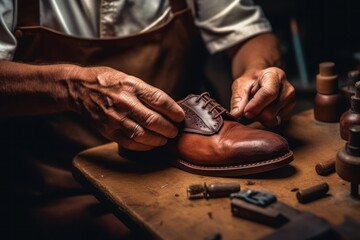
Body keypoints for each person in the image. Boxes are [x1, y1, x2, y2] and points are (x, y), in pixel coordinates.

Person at [0, 0, 295, 239]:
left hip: (175, 167)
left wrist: (258, 71)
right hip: (54, 181)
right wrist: (71, 86)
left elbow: (249, 32)